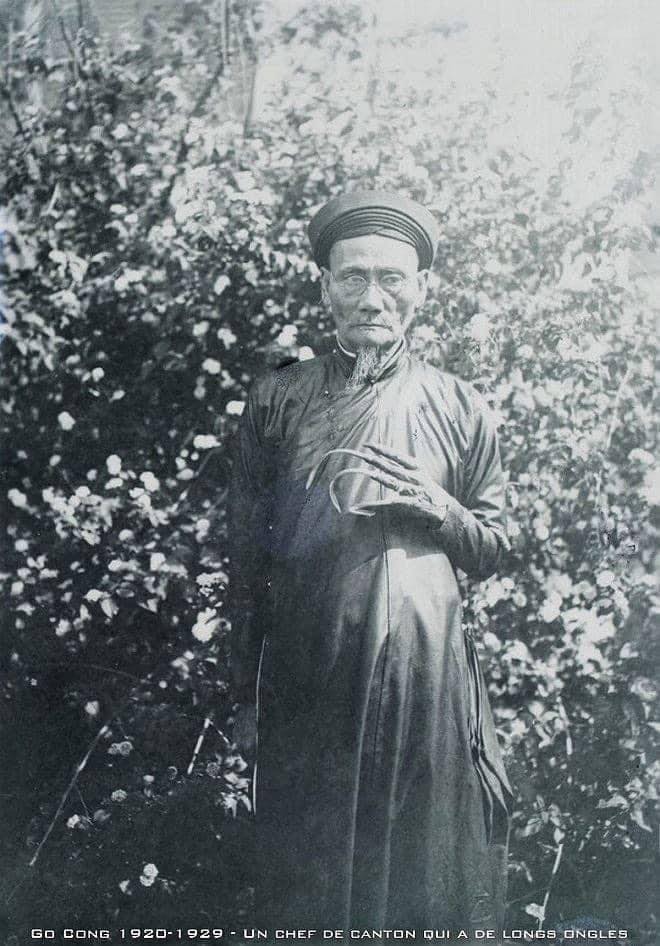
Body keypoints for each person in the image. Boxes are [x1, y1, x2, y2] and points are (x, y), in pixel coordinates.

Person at [228, 190, 514, 937]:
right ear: (324, 285)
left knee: (423, 866)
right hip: (310, 669)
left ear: (422, 288)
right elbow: (246, 559)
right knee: (309, 872)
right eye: (353, 277)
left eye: (392, 278)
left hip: (426, 676)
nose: (372, 297)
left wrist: (438, 507)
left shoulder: (459, 406)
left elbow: (494, 544)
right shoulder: (278, 399)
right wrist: (242, 696)